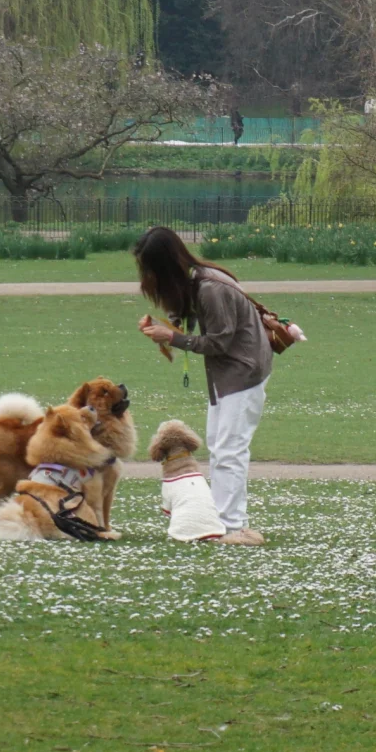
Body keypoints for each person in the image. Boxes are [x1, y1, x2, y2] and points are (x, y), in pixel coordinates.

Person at [134, 226, 272, 546]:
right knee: (219, 445)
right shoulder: (198, 280)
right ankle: (223, 520)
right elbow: (203, 320)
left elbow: (219, 343)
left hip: (242, 372)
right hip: (228, 374)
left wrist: (172, 337)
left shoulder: (210, 288)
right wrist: (176, 322)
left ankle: (232, 525)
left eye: (151, 270)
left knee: (229, 450)